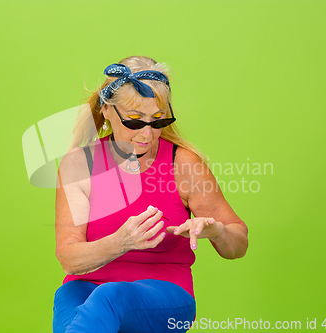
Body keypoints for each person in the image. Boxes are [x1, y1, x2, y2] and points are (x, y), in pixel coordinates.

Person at [52, 56, 248, 333]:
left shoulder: (184, 165)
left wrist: (217, 232)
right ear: (107, 111)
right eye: (134, 121)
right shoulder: (79, 165)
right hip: (83, 289)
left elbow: (238, 242)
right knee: (78, 312)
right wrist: (120, 242)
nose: (147, 134)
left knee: (109, 298)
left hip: (166, 294)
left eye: (157, 120)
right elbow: (69, 257)